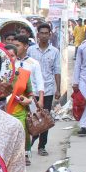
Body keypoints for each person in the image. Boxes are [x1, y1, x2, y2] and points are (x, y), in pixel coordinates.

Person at [28, 23, 62, 156]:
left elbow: (57, 71)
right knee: (31, 118)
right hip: (32, 90)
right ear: (37, 35)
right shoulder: (31, 51)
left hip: (47, 89)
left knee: (45, 118)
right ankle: (28, 144)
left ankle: (42, 146)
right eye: (41, 33)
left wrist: (58, 89)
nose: (43, 35)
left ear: (50, 34)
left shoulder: (54, 52)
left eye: (46, 33)